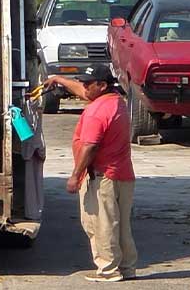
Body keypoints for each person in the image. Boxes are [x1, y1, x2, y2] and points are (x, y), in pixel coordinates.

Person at [43, 66, 138, 282]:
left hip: (101, 176)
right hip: (121, 175)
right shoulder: (115, 102)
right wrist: (59, 79)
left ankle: (108, 270)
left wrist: (75, 176)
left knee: (100, 224)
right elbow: (82, 91)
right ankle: (127, 267)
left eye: (89, 83)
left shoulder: (96, 112)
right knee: (121, 225)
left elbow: (90, 147)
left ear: (102, 85)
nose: (84, 88)